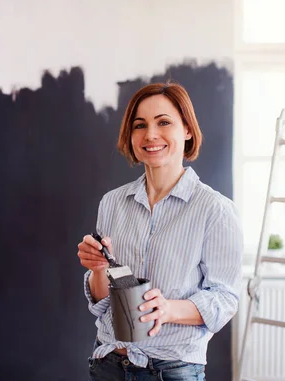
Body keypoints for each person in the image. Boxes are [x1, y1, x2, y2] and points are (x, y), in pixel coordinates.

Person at [77, 82, 243, 381]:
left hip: (171, 371)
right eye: (140, 125)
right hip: (108, 364)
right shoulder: (113, 203)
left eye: (163, 122)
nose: (150, 135)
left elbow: (225, 298)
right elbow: (104, 301)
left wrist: (167, 310)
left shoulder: (215, 209)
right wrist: (99, 269)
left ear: (188, 130)